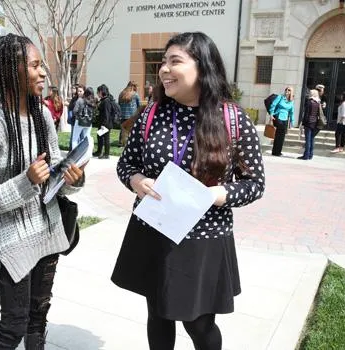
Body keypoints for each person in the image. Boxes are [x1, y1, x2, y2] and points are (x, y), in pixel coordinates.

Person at [112, 32, 265, 350]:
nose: (164, 69)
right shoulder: (152, 115)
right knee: (158, 315)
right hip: (154, 230)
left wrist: (216, 195)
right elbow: (126, 165)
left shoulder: (232, 120)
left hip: (203, 240)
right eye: (163, 62)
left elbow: (254, 184)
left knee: (199, 323)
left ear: (202, 66)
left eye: (175, 61)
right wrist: (137, 182)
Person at [0, 34, 85, 350]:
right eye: (35, 65)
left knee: (38, 317)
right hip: (14, 244)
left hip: (46, 233)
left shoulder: (42, 114)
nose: (43, 73)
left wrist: (72, 176)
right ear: (11, 70)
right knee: (13, 327)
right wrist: (25, 182)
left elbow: (55, 167)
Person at [268, 86, 295, 156]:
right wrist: (271, 114)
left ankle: (278, 151)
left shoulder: (291, 101)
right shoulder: (280, 97)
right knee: (279, 134)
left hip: (285, 118)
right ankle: (275, 151)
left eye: (289, 90)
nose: (287, 91)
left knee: (282, 135)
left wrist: (292, 121)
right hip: (278, 116)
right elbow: (273, 105)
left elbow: (291, 111)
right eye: (286, 89)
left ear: (291, 92)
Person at [94, 84, 118, 159]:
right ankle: (99, 151)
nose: (97, 94)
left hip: (106, 124)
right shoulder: (104, 100)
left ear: (101, 92)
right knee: (100, 136)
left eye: (98, 92)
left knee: (106, 138)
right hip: (103, 123)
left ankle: (106, 154)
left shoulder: (106, 101)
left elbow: (106, 114)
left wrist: (103, 124)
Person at [299, 89, 322, 160]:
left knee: (308, 140)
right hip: (314, 123)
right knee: (311, 139)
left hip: (308, 123)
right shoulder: (318, 102)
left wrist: (303, 123)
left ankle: (306, 155)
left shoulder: (309, 102)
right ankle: (310, 155)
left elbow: (307, 114)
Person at [118, 81, 141, 146]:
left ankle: (121, 143)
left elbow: (119, 104)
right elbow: (139, 105)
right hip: (132, 116)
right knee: (131, 130)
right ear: (133, 86)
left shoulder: (121, 93)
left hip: (123, 115)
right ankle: (129, 143)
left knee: (123, 129)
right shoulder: (135, 94)